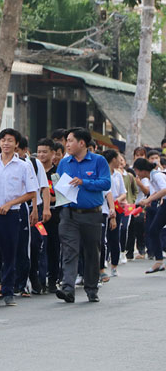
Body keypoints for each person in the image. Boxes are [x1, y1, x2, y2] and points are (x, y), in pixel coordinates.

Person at [0, 128, 37, 307]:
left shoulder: (23, 166)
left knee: (10, 252)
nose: (6, 143)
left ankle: (8, 291)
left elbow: (31, 192)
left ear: (16, 144)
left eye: (10, 140)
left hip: (12, 214)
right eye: (3, 140)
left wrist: (11, 203)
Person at [55, 128, 111, 303]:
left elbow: (106, 183)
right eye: (66, 141)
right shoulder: (64, 163)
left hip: (92, 215)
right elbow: (59, 184)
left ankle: (91, 288)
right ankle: (68, 288)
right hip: (69, 214)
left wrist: (84, 182)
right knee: (69, 251)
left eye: (70, 140)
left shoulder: (99, 161)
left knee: (92, 252)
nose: (67, 144)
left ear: (81, 143)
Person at [15, 137, 49, 296]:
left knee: (36, 243)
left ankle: (35, 276)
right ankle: (18, 281)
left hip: (34, 209)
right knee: (17, 245)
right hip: (15, 209)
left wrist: (43, 209)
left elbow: (42, 188)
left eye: (17, 150)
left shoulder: (34, 164)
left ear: (24, 150)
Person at [36, 138, 61, 293]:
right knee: (38, 246)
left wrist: (48, 198)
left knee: (53, 247)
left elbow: (61, 196)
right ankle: (39, 280)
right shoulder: (34, 170)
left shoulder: (57, 173)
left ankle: (53, 280)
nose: (41, 155)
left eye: (45, 152)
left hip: (54, 214)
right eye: (39, 152)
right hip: (37, 213)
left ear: (53, 153)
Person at [133, 158, 166, 273]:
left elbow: (164, 189)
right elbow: (156, 192)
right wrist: (147, 200)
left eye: (136, 171)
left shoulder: (157, 175)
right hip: (163, 203)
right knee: (153, 230)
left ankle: (159, 260)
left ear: (142, 170)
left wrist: (148, 200)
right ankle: (159, 260)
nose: (136, 174)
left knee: (154, 230)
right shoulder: (151, 177)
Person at [103, 150, 125, 277]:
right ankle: (103, 262)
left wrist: (117, 200)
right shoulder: (103, 173)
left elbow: (123, 192)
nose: (120, 161)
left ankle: (114, 265)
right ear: (113, 159)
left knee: (115, 237)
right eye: (118, 159)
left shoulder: (118, 175)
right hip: (103, 206)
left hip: (116, 206)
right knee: (103, 238)